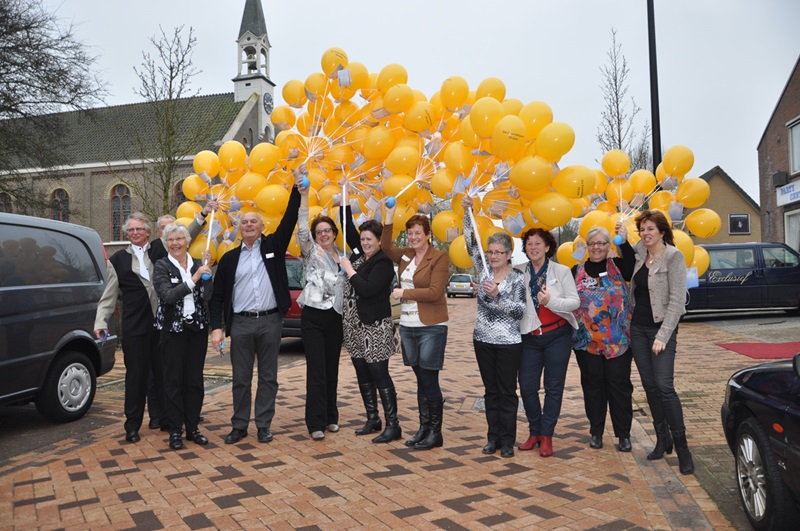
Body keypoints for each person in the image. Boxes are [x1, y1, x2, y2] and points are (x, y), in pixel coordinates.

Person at [209, 171, 302, 445]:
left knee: (269, 377)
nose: (249, 225)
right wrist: (217, 327)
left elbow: (290, 218)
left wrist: (297, 188)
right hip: (241, 324)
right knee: (240, 378)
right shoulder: (228, 259)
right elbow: (217, 297)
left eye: (253, 221)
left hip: (271, 322)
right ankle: (239, 426)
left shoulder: (273, 245)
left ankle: (263, 425)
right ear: (239, 227)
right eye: (244, 222)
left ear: (261, 226)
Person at [629, 210, 694, 475]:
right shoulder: (641, 253)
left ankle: (682, 448)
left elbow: (678, 302)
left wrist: (663, 336)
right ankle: (662, 439)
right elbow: (624, 242)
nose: (645, 234)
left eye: (650, 229)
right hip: (638, 329)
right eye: (642, 229)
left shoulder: (673, 256)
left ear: (662, 232)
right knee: (649, 386)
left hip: (661, 330)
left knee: (665, 386)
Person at [381, 204, 449, 450]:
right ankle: (424, 428)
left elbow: (434, 292)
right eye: (410, 233)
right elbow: (386, 246)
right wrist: (389, 217)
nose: (413, 237)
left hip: (431, 325)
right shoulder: (407, 254)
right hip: (408, 325)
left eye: (418, 233)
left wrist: (403, 292)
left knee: (429, 379)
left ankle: (435, 432)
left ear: (428, 234)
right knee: (421, 379)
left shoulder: (439, 256)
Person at [94, 213, 167, 443]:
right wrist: (100, 321)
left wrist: (203, 216)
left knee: (163, 374)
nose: (135, 233)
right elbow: (109, 296)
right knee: (136, 378)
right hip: (135, 327)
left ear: (148, 231)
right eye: (131, 230)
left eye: (139, 229)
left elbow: (185, 235)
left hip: (161, 326)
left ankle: (163, 418)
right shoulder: (118, 260)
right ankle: (132, 425)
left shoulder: (159, 250)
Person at [462, 197, 525, 458]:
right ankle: (493, 439)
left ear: (510, 254)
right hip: (483, 340)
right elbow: (470, 241)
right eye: (491, 252)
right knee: (490, 392)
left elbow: (519, 311)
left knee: (507, 392)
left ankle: (508, 441)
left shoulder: (518, 278)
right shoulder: (484, 270)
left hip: (509, 343)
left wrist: (499, 295)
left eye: (499, 252)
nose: (494, 256)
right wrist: (468, 211)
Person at [571, 225, 635, 453]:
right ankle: (596, 432)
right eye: (592, 243)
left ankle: (624, 435)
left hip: (618, 343)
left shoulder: (618, 266)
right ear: (586, 246)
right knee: (592, 387)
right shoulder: (576, 270)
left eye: (601, 243)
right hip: (586, 344)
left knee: (619, 388)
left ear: (608, 246)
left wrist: (624, 241)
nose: (597, 247)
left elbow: (632, 265)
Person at [516, 228, 579, 457]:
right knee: (527, 386)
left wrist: (551, 301)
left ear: (547, 247)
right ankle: (534, 431)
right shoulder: (517, 271)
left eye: (537, 243)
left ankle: (547, 435)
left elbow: (574, 302)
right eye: (529, 244)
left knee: (553, 388)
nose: (533, 247)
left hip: (557, 337)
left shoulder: (560, 271)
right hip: (529, 338)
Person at [340, 215, 401, 444]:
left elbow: (367, 289)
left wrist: (349, 271)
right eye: (363, 239)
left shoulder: (382, 262)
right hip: (353, 326)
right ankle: (372, 418)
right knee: (362, 372)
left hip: (374, 326)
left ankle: (393, 425)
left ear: (378, 241)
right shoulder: (359, 257)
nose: (365, 243)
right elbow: (346, 226)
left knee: (379, 373)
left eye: (370, 239)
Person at [152, 223, 213, 450]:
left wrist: (207, 272)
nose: (175, 243)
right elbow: (168, 296)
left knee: (194, 382)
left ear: (187, 241)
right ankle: (175, 430)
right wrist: (195, 277)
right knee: (173, 382)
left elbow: (208, 295)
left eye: (179, 238)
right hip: (172, 332)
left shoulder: (198, 264)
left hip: (196, 330)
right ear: (166, 243)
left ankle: (193, 428)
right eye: (171, 239)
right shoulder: (162, 266)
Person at [296, 184, 346, 441]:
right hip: (314, 315)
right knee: (316, 369)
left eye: (327, 230)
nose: (324, 234)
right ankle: (315, 422)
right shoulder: (311, 252)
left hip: (335, 317)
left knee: (332, 368)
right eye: (319, 232)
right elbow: (302, 227)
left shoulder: (343, 255)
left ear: (335, 233)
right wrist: (304, 198)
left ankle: (331, 416)